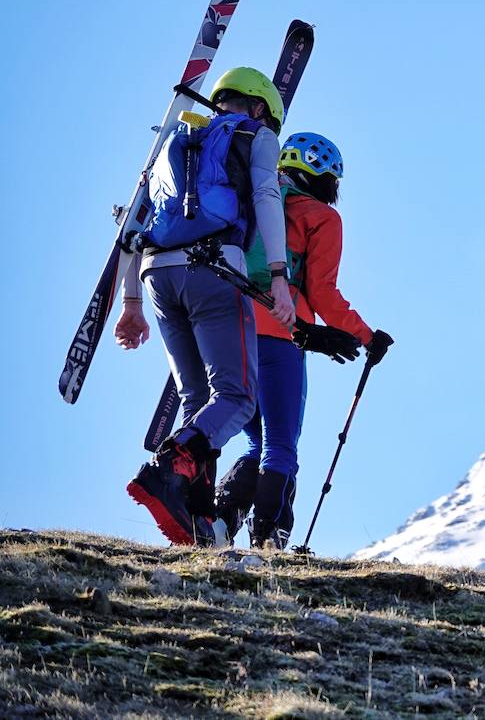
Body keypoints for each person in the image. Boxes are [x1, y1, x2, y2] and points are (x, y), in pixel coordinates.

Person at [116, 66, 296, 546]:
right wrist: (278, 276)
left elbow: (140, 216)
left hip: (157, 274)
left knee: (198, 401)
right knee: (236, 399)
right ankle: (170, 466)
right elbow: (266, 197)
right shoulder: (255, 135)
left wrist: (130, 302)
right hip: (214, 269)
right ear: (259, 108)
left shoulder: (176, 138)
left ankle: (194, 520)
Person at [211, 132, 393, 549]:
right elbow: (324, 293)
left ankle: (220, 522)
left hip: (228, 327)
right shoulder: (322, 218)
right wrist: (367, 336)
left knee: (255, 440)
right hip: (279, 335)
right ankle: (268, 536)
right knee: (280, 442)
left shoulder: (251, 201)